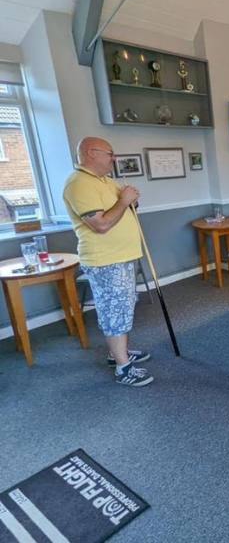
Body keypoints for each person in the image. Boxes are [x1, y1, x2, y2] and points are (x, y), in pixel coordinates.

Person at [63, 137, 153, 387]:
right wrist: (123, 201)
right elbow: (101, 224)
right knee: (114, 312)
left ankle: (118, 353)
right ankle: (123, 369)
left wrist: (131, 202)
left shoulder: (106, 181)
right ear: (91, 153)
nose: (113, 158)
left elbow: (121, 209)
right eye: (109, 153)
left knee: (123, 309)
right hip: (106, 261)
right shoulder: (78, 184)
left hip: (122, 258)